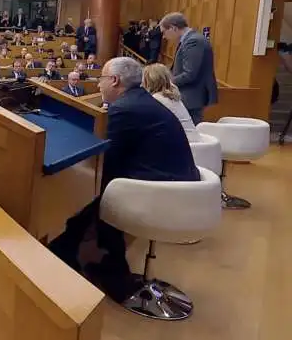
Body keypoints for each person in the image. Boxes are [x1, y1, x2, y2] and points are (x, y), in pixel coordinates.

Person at [48, 57, 199, 303]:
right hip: (178, 187)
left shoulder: (124, 108)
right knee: (98, 192)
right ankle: (103, 264)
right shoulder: (140, 101)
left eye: (102, 79)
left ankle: (82, 264)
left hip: (163, 193)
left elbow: (108, 159)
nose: (98, 85)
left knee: (94, 194)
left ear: (115, 80)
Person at [160, 12, 218, 124]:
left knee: (190, 134)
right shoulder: (189, 40)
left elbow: (190, 74)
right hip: (189, 96)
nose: (164, 37)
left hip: (191, 98)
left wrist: (164, 83)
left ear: (173, 28)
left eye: (164, 32)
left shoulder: (193, 41)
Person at [141, 63, 203, 143]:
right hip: (194, 142)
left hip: (184, 144)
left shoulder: (157, 99)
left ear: (150, 81)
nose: (141, 84)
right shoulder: (171, 96)